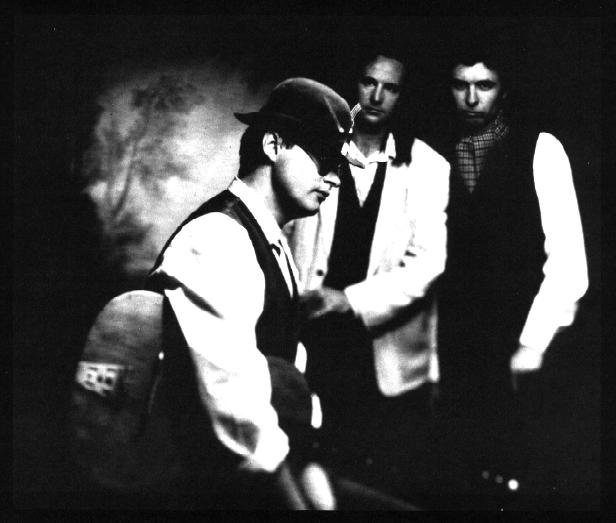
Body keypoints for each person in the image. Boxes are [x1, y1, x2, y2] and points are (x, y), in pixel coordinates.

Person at [146, 77, 353, 509]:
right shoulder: (218, 239)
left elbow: (290, 392)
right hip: (209, 488)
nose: (335, 179)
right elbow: (236, 410)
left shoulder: (271, 243)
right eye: (324, 159)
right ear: (274, 145)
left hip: (264, 467)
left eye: (341, 165)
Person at [284, 48, 450, 502]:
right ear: (350, 84)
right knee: (310, 473)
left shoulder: (428, 167)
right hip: (310, 343)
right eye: (367, 82)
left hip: (384, 358)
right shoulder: (312, 149)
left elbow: (429, 263)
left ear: (404, 96)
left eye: (390, 87)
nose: (376, 96)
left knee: (372, 486)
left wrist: (350, 300)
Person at [434, 34, 588, 501]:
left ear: (504, 90)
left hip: (522, 343)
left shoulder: (540, 148)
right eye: (461, 85)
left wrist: (532, 343)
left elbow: (569, 262)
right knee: (457, 479)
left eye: (485, 85)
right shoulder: (432, 152)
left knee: (518, 479)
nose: (472, 98)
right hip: (452, 346)